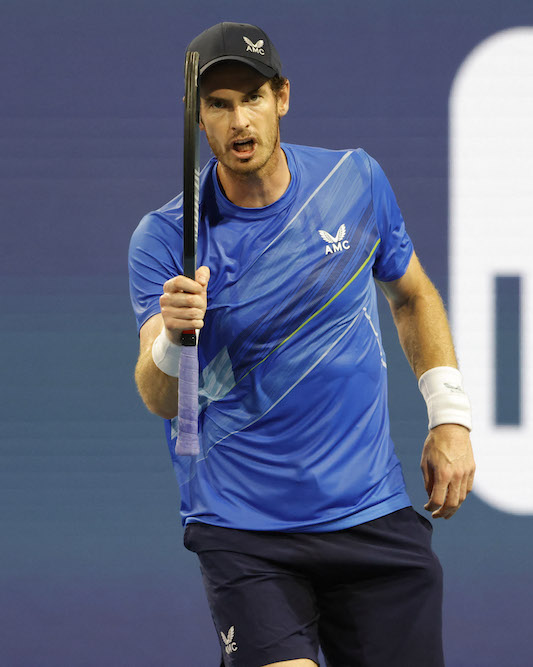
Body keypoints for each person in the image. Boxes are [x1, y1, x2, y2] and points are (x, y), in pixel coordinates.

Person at [128, 21, 475, 667]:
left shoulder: (355, 181)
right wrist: (174, 337)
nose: (239, 120)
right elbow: (158, 398)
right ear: (197, 116)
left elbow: (414, 294)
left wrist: (449, 416)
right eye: (219, 104)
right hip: (243, 527)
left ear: (281, 97)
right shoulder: (165, 237)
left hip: (368, 512)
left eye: (252, 97)